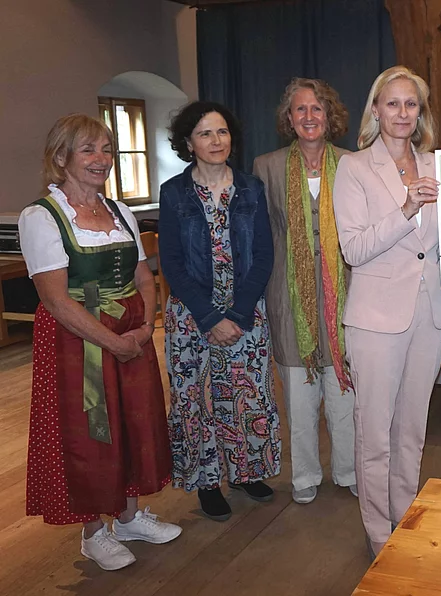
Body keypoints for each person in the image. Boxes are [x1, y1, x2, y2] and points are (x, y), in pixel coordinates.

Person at [19, 114, 181, 571]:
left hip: (131, 331)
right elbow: (54, 299)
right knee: (90, 428)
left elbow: (143, 275)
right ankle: (93, 532)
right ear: (61, 157)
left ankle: (128, 517)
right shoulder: (42, 216)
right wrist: (113, 342)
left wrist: (146, 327)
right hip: (80, 340)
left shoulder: (119, 210)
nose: (102, 160)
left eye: (107, 149)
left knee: (133, 419)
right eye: (89, 150)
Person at [333, 66, 441, 555]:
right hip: (376, 320)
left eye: (412, 104)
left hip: (430, 314)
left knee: (412, 429)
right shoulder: (355, 167)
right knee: (375, 433)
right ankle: (378, 533)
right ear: (376, 110)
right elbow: (354, 250)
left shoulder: (438, 165)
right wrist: (406, 209)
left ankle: (406, 518)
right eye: (392, 103)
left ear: (420, 112)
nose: (402, 113)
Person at [159, 101, 279, 522]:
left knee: (246, 396)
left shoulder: (250, 188)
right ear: (188, 142)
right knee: (198, 400)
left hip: (246, 313)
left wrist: (240, 313)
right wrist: (210, 318)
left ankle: (246, 473)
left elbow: (264, 254)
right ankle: (208, 482)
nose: (216, 141)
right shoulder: (173, 192)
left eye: (223, 132)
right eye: (206, 133)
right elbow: (171, 262)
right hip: (193, 316)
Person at [253, 78, 357, 505]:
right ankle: (305, 477)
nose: (309, 116)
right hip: (288, 293)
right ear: (288, 118)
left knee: (345, 391)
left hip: (346, 291)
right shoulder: (267, 166)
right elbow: (261, 236)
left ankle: (348, 472)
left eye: (317, 109)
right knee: (297, 393)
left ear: (329, 116)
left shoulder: (353, 164)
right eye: (300, 109)